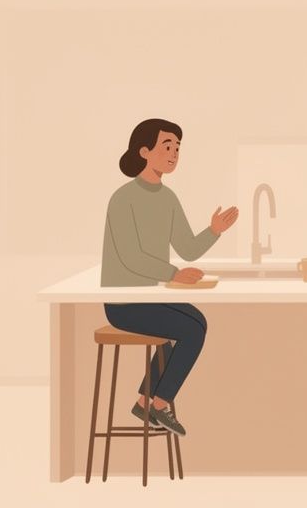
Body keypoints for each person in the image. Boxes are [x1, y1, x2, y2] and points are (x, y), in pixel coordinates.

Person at [100, 118, 239, 437]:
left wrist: (213, 231)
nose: (174, 153)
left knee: (196, 322)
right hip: (124, 302)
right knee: (191, 329)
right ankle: (160, 405)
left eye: (177, 147)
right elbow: (131, 256)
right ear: (144, 151)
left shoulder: (167, 198)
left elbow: (187, 248)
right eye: (167, 146)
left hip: (151, 297)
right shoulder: (122, 199)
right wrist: (174, 274)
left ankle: (144, 402)